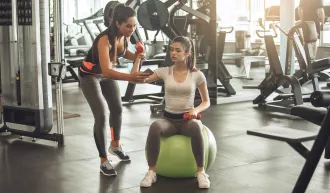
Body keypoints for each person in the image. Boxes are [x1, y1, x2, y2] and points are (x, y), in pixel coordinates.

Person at [78, 4, 149, 176]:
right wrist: (130, 77)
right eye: (128, 26)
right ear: (117, 23)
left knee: (117, 108)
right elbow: (107, 70)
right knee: (101, 114)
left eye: (134, 26)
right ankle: (103, 160)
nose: (132, 30)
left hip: (104, 74)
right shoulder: (104, 39)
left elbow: (123, 53)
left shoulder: (122, 37)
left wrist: (138, 55)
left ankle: (115, 145)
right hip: (90, 75)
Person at [131, 36, 211, 188]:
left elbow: (206, 101)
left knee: (195, 126)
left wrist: (196, 109)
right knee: (155, 126)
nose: (173, 53)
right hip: (169, 121)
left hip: (187, 120)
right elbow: (136, 79)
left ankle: (201, 172)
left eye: (177, 50)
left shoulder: (197, 75)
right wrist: (137, 59)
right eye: (171, 50)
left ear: (187, 53)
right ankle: (151, 171)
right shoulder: (164, 72)